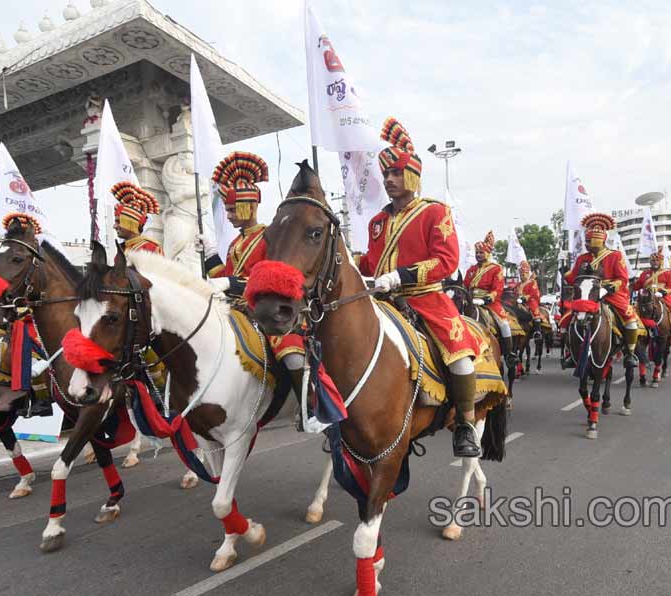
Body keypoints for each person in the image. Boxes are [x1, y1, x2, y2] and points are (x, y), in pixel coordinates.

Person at [356, 117, 484, 458]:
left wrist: (401, 276)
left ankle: (466, 424)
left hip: (425, 298)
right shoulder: (377, 222)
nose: (389, 180)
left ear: (412, 175)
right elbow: (371, 263)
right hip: (382, 300)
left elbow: (446, 261)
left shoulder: (434, 212)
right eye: (386, 175)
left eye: (396, 173)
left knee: (459, 358)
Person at [196, 151, 342, 416]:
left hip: (267, 307)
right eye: (227, 210)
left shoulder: (269, 237)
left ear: (248, 206)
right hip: (236, 309)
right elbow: (224, 277)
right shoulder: (235, 244)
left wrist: (229, 282)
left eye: (231, 209)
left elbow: (264, 278)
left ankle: (310, 406)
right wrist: (210, 256)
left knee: (289, 350)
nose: (228, 215)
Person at [561, 212, 640, 367]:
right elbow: (573, 278)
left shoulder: (615, 256)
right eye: (586, 241)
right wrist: (563, 271)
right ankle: (571, 352)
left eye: (589, 241)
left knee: (630, 320)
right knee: (566, 320)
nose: (586, 244)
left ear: (598, 240)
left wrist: (610, 287)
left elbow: (622, 278)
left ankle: (630, 354)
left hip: (610, 294)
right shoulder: (582, 258)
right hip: (587, 294)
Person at [465, 231, 516, 371]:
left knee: (504, 324)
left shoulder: (496, 268)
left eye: (481, 253)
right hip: (470, 301)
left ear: (487, 253)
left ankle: (509, 354)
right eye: (477, 253)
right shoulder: (471, 270)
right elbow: (465, 285)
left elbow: (498, 288)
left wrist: (488, 298)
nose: (478, 255)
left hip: (489, 303)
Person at [633, 246, 671, 341]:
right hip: (647, 297)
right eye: (652, 261)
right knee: (633, 311)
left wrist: (663, 292)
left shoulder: (668, 273)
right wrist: (632, 279)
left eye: (657, 261)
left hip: (663, 296)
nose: (655, 262)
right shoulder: (645, 273)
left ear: (660, 262)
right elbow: (637, 286)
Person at [110, 181, 163, 255]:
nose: (114, 226)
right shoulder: (121, 249)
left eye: (118, 221)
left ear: (131, 223)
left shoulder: (150, 248)